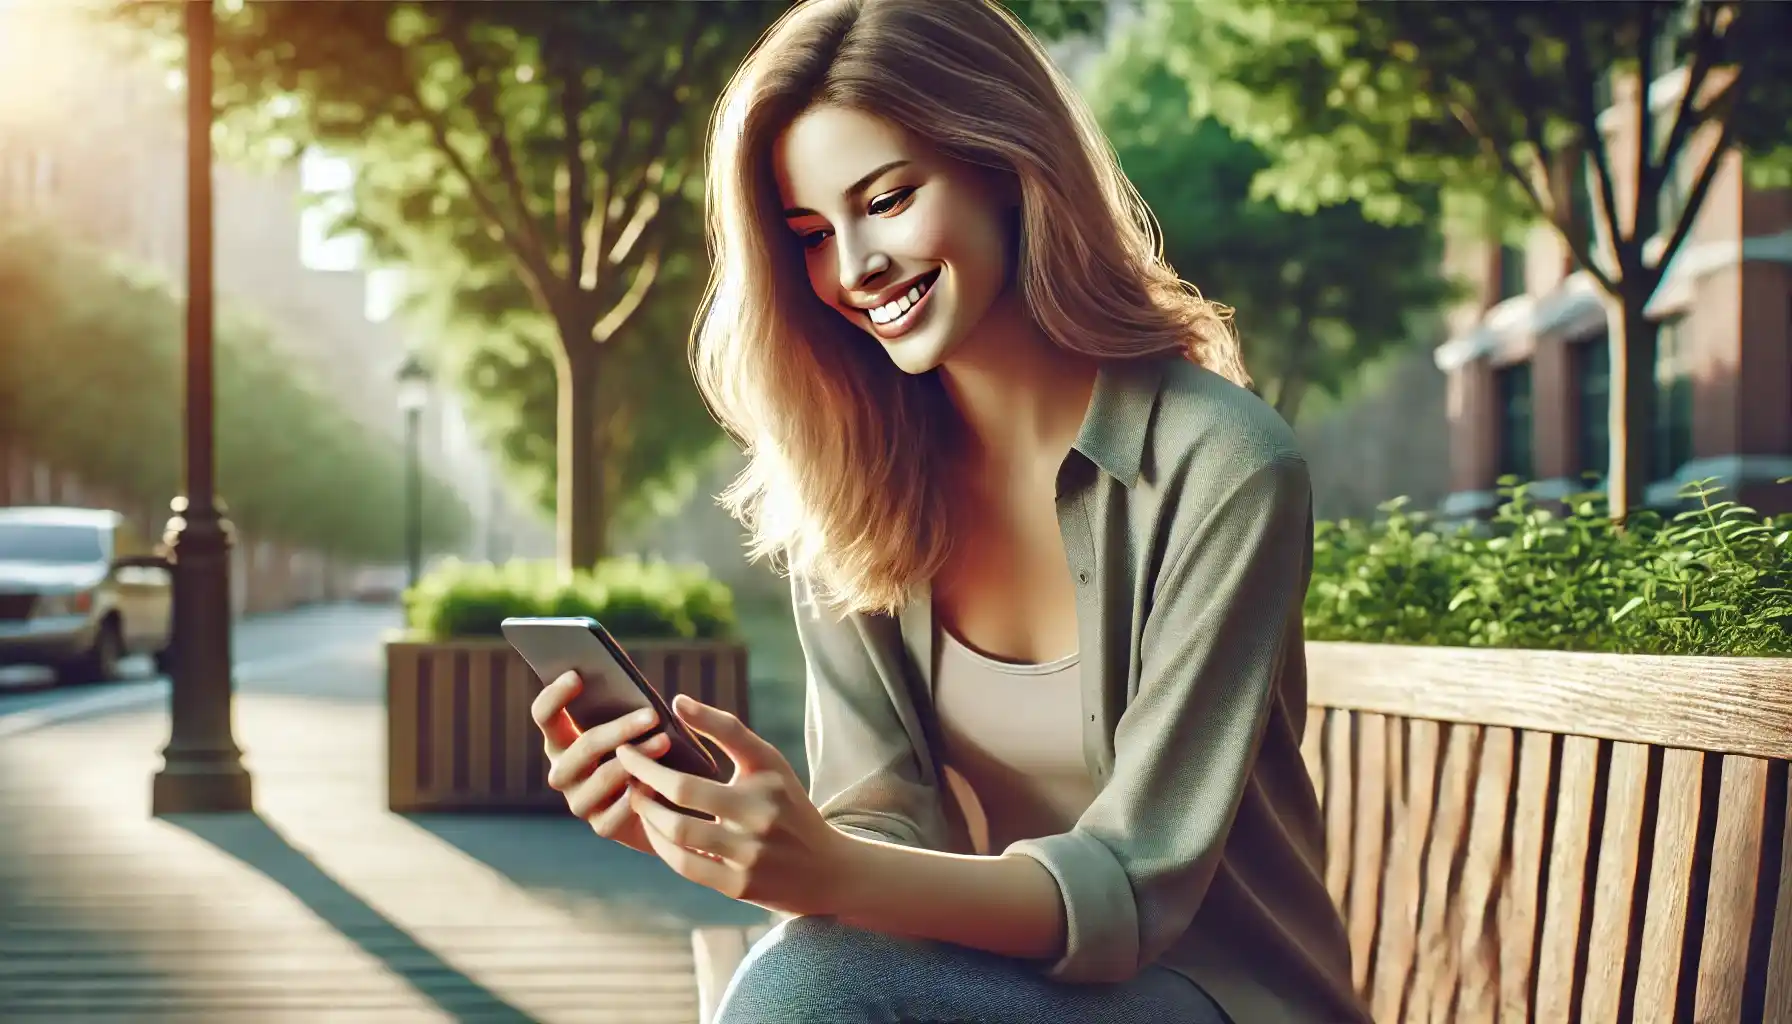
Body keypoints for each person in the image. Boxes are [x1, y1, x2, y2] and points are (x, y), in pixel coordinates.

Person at [529, 0, 1369, 1021]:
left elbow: (1137, 883)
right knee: (807, 972)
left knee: (807, 982)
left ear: (1006, 166)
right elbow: (878, 817)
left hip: (1220, 996)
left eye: (885, 199)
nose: (852, 267)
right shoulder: (849, 476)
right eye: (808, 233)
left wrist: (830, 873)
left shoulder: (1223, 464)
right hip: (992, 981)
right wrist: (705, 825)